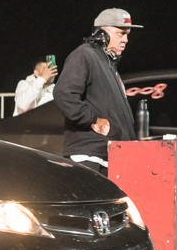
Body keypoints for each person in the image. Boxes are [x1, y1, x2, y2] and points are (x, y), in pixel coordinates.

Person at [52, 9, 140, 176]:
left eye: (127, 34)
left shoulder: (106, 62)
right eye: (121, 33)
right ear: (102, 33)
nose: (126, 40)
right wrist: (91, 120)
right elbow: (64, 93)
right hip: (90, 157)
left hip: (109, 156)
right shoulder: (84, 54)